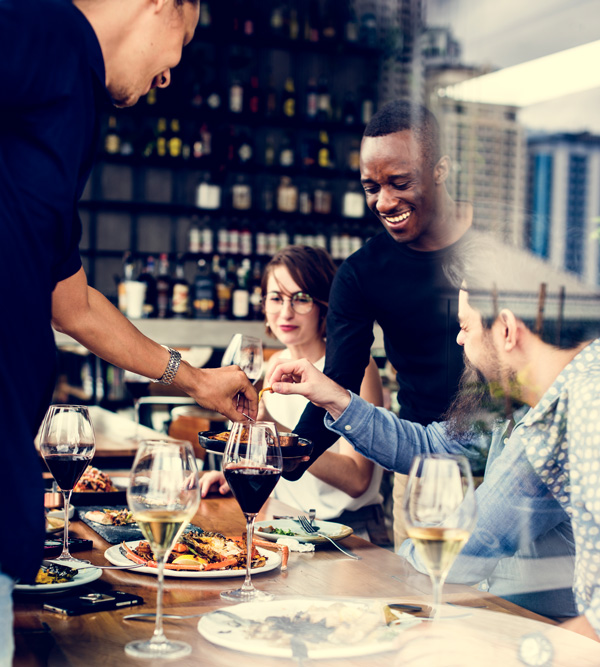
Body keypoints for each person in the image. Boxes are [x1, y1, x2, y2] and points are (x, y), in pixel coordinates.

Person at [0, 1, 256, 661]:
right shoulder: (41, 30)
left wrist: (196, 380)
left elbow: (75, 303)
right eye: (185, 41)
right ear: (161, 6)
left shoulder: (72, 103)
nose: (171, 73)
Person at [265, 242, 600, 627]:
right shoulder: (525, 398)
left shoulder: (569, 411)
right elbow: (431, 445)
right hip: (508, 614)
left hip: (539, 627)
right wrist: (335, 398)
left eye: (465, 326)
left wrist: (359, 568)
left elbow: (471, 543)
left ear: (506, 329)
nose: (459, 341)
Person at [289, 99, 474, 549]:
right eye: (371, 187)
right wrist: (277, 461)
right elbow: (337, 379)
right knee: (425, 608)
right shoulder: (361, 274)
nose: (384, 202)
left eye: (399, 183)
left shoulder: (500, 243)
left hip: (511, 459)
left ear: (440, 170)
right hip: (422, 463)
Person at [201, 246, 389, 542]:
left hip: (351, 533)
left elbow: (358, 480)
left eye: (301, 299)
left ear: (324, 306)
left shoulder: (358, 369)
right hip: (285, 529)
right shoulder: (274, 364)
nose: (286, 312)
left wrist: (275, 431)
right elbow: (280, 472)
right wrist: (232, 479)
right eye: (275, 298)